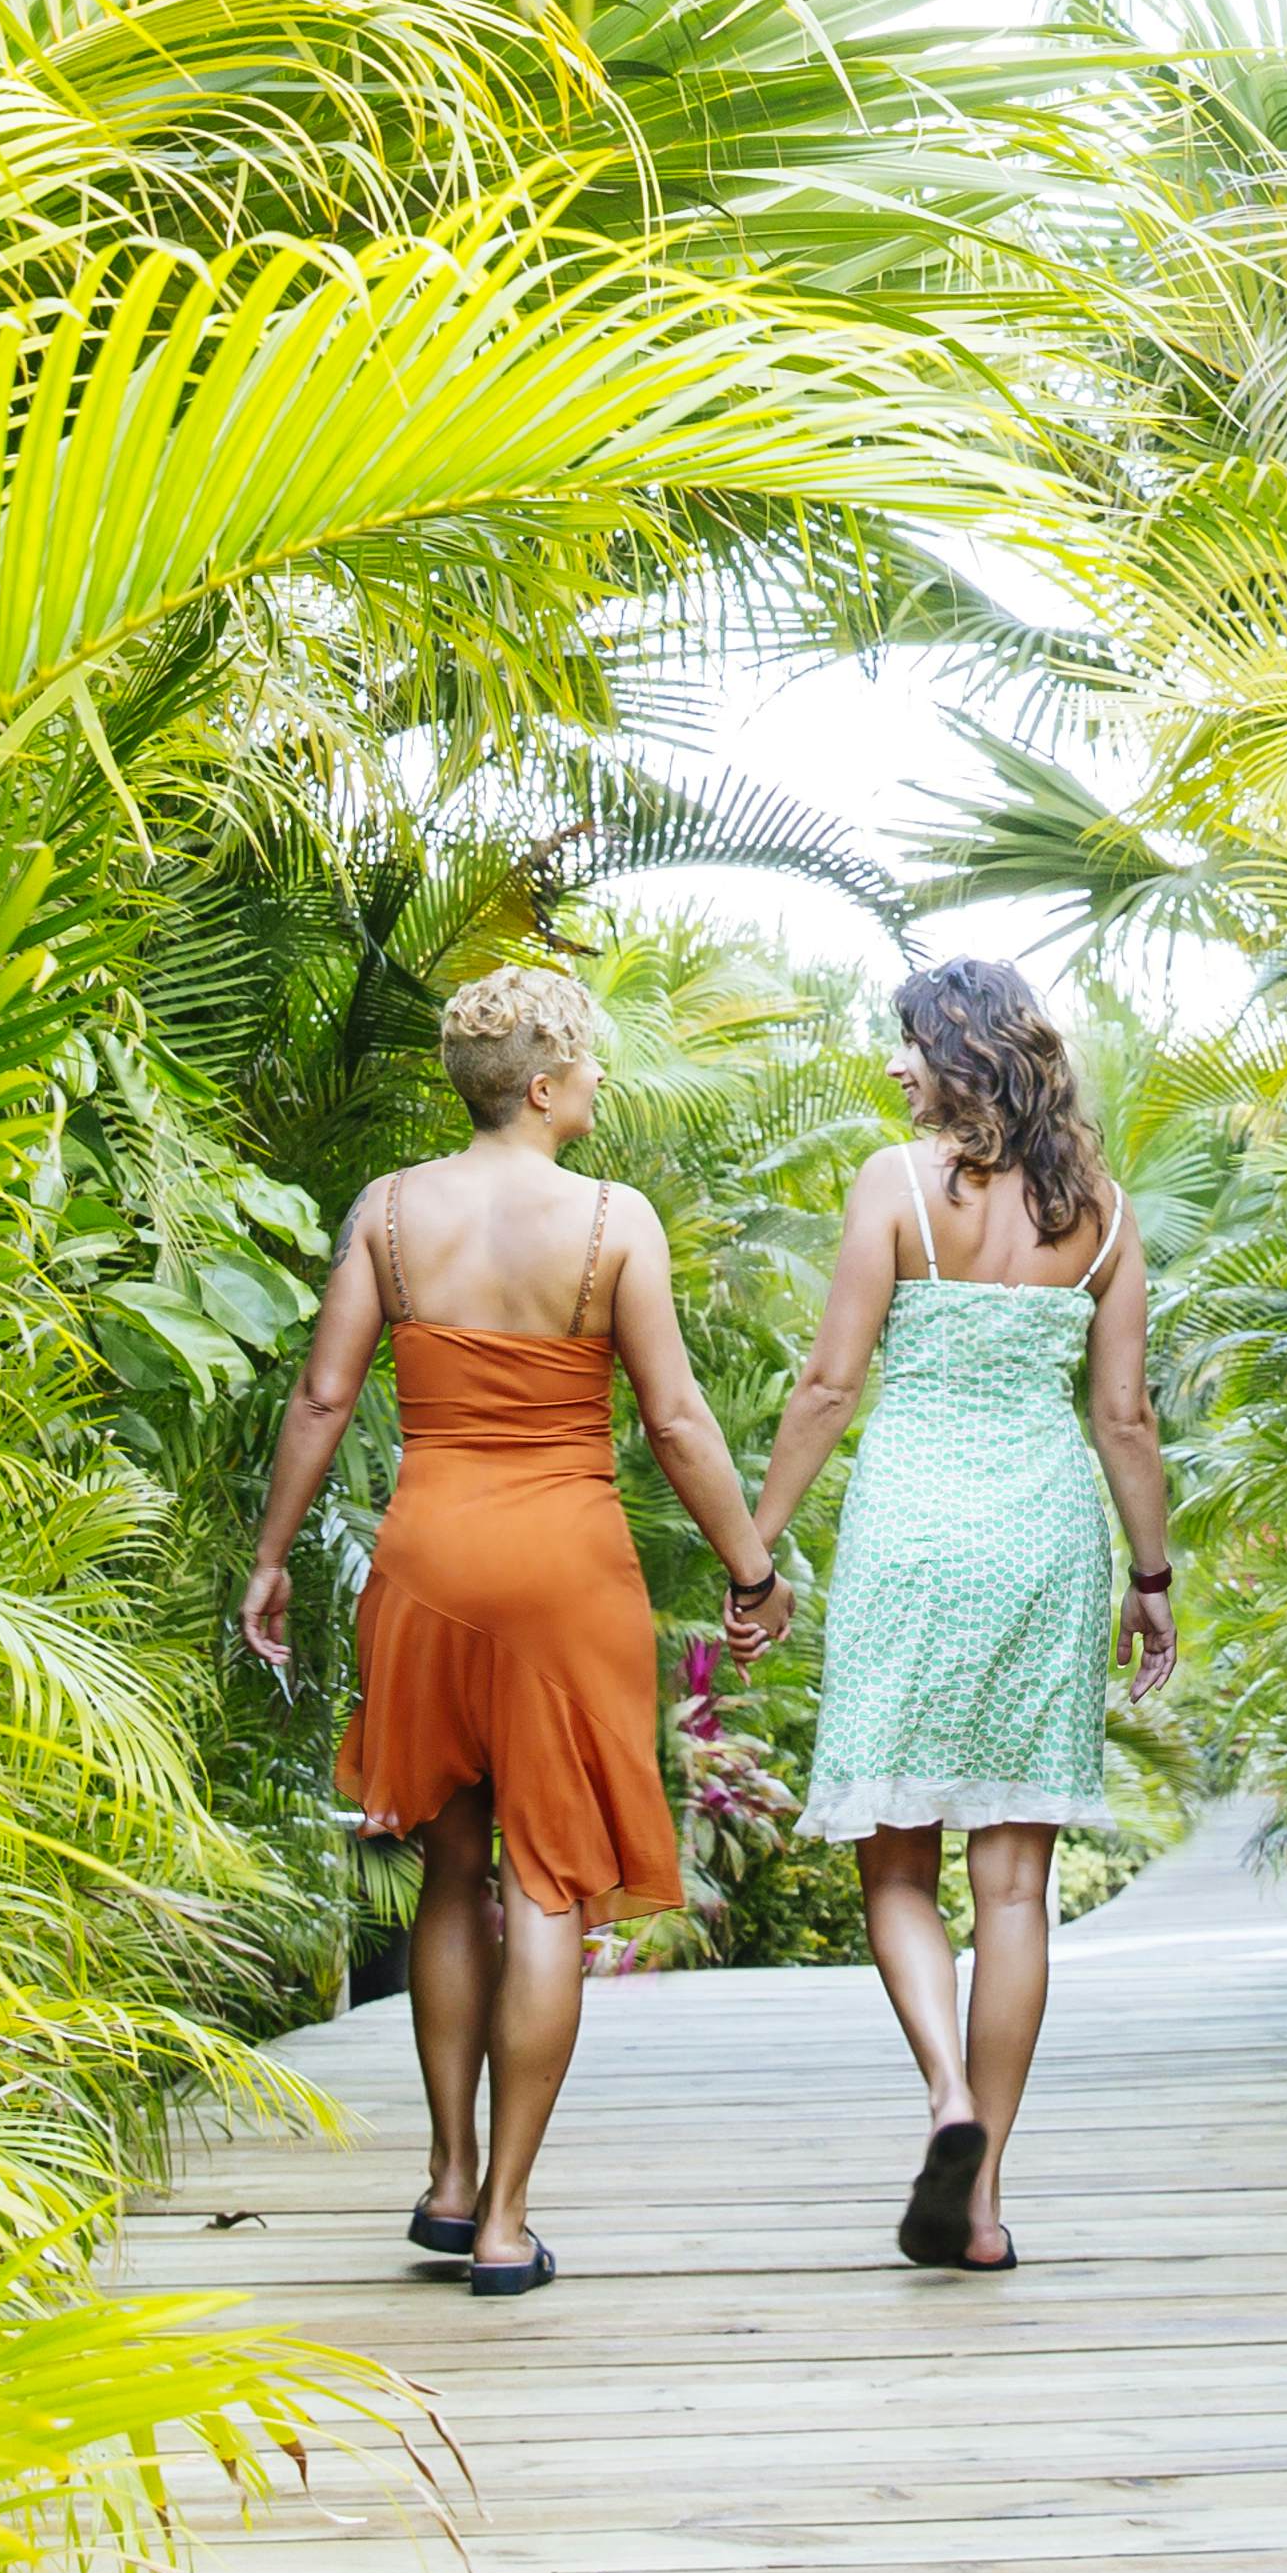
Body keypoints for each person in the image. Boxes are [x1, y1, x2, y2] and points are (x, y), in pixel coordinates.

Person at [241, 964, 784, 2299]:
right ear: (542, 1087)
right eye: (589, 1062)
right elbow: (671, 1421)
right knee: (549, 1880)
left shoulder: (386, 1212)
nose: (600, 1080)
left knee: (448, 1865)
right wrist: (750, 1565)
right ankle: (504, 2218)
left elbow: (321, 1399)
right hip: (564, 1568)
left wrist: (270, 1556)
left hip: (426, 1559)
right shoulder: (612, 1222)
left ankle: (441, 2174)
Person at [751, 956, 1177, 2274]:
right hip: (1045, 1534)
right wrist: (1150, 1578)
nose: (893, 1070)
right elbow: (1122, 1416)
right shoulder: (1099, 1210)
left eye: (907, 1047)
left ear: (959, 1056)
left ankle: (943, 2090)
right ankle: (982, 2192)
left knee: (894, 1858)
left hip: (914, 1533)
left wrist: (754, 1544)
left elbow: (827, 1385)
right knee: (1015, 1883)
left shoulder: (894, 1185)